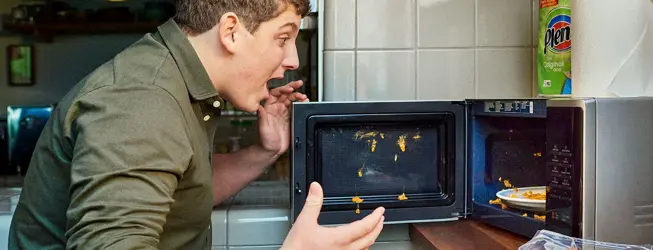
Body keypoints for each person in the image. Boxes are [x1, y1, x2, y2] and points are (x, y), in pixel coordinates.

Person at [8, 0, 385, 249]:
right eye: (283, 37)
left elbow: (181, 187)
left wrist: (264, 151)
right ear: (231, 31)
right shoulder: (142, 104)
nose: (291, 60)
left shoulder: (178, 81)